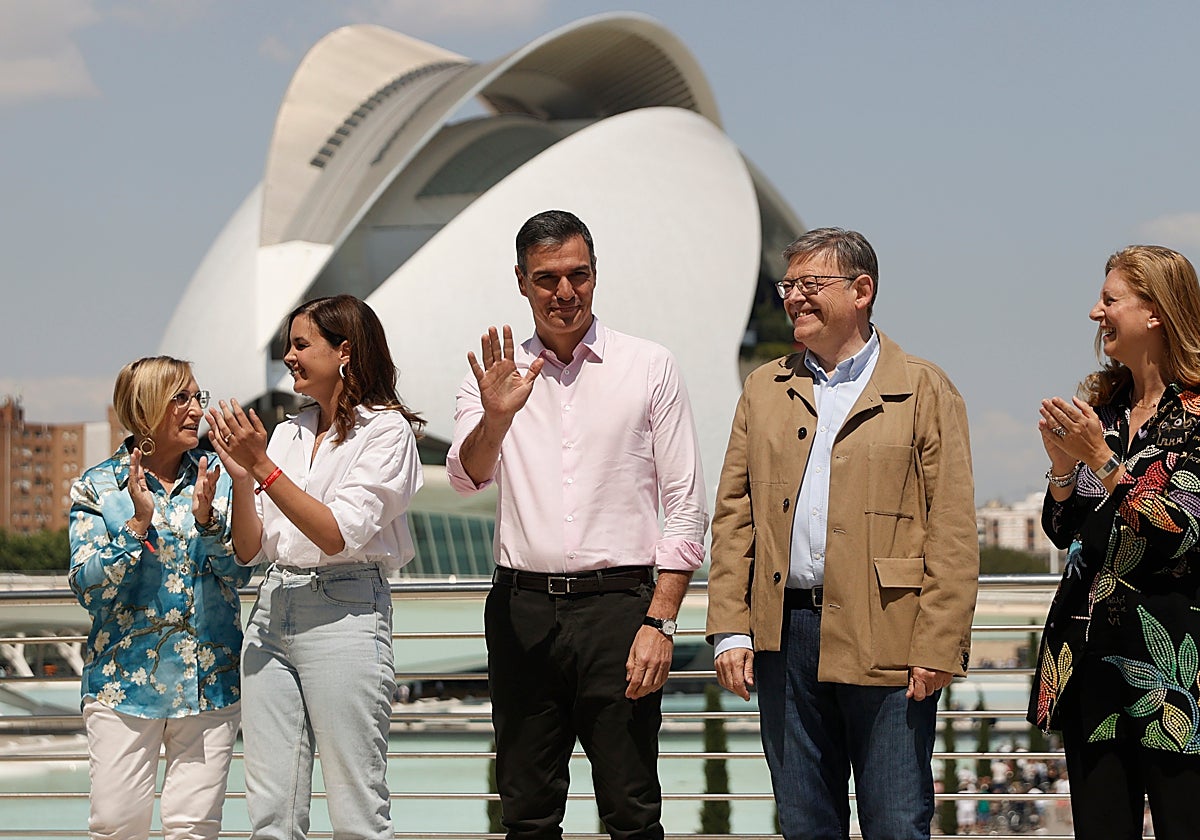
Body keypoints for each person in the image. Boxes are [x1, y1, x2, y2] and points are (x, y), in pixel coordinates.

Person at [706, 227, 979, 840]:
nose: (794, 298)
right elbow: (734, 515)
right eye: (788, 285)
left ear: (862, 291)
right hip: (785, 637)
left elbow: (953, 529)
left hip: (890, 633)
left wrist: (940, 645)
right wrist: (729, 627)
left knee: (895, 820)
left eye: (810, 285)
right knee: (805, 822)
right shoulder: (765, 387)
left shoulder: (924, 387)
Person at [446, 209, 708, 839]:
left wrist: (660, 621)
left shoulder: (649, 366)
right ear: (520, 281)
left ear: (595, 274)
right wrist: (498, 416)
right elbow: (465, 476)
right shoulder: (492, 379)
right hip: (522, 611)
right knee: (527, 813)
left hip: (620, 608)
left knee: (632, 810)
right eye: (546, 279)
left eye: (578, 275)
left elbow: (685, 503)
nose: (564, 293)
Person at [207, 295, 424, 840]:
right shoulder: (287, 433)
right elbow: (249, 549)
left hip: (345, 611)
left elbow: (335, 533)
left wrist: (260, 464)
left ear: (344, 350)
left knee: (356, 807)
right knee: (271, 811)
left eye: (301, 344)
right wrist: (241, 477)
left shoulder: (387, 432)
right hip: (273, 606)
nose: (289, 357)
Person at [1028, 245, 1200, 839]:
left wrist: (1102, 462)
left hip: (1175, 676)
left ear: (1155, 312)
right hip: (1091, 667)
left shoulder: (1198, 416)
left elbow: (1177, 533)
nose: (1094, 313)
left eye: (1109, 300)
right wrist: (1059, 469)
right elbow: (1064, 530)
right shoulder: (1103, 407)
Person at [68, 356, 253, 840]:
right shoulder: (97, 486)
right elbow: (86, 588)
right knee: (116, 826)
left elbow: (239, 571)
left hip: (210, 683)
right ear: (147, 408)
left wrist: (210, 522)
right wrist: (136, 525)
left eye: (198, 397)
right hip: (123, 686)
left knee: (194, 829)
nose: (197, 410)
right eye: (182, 399)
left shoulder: (218, 476)